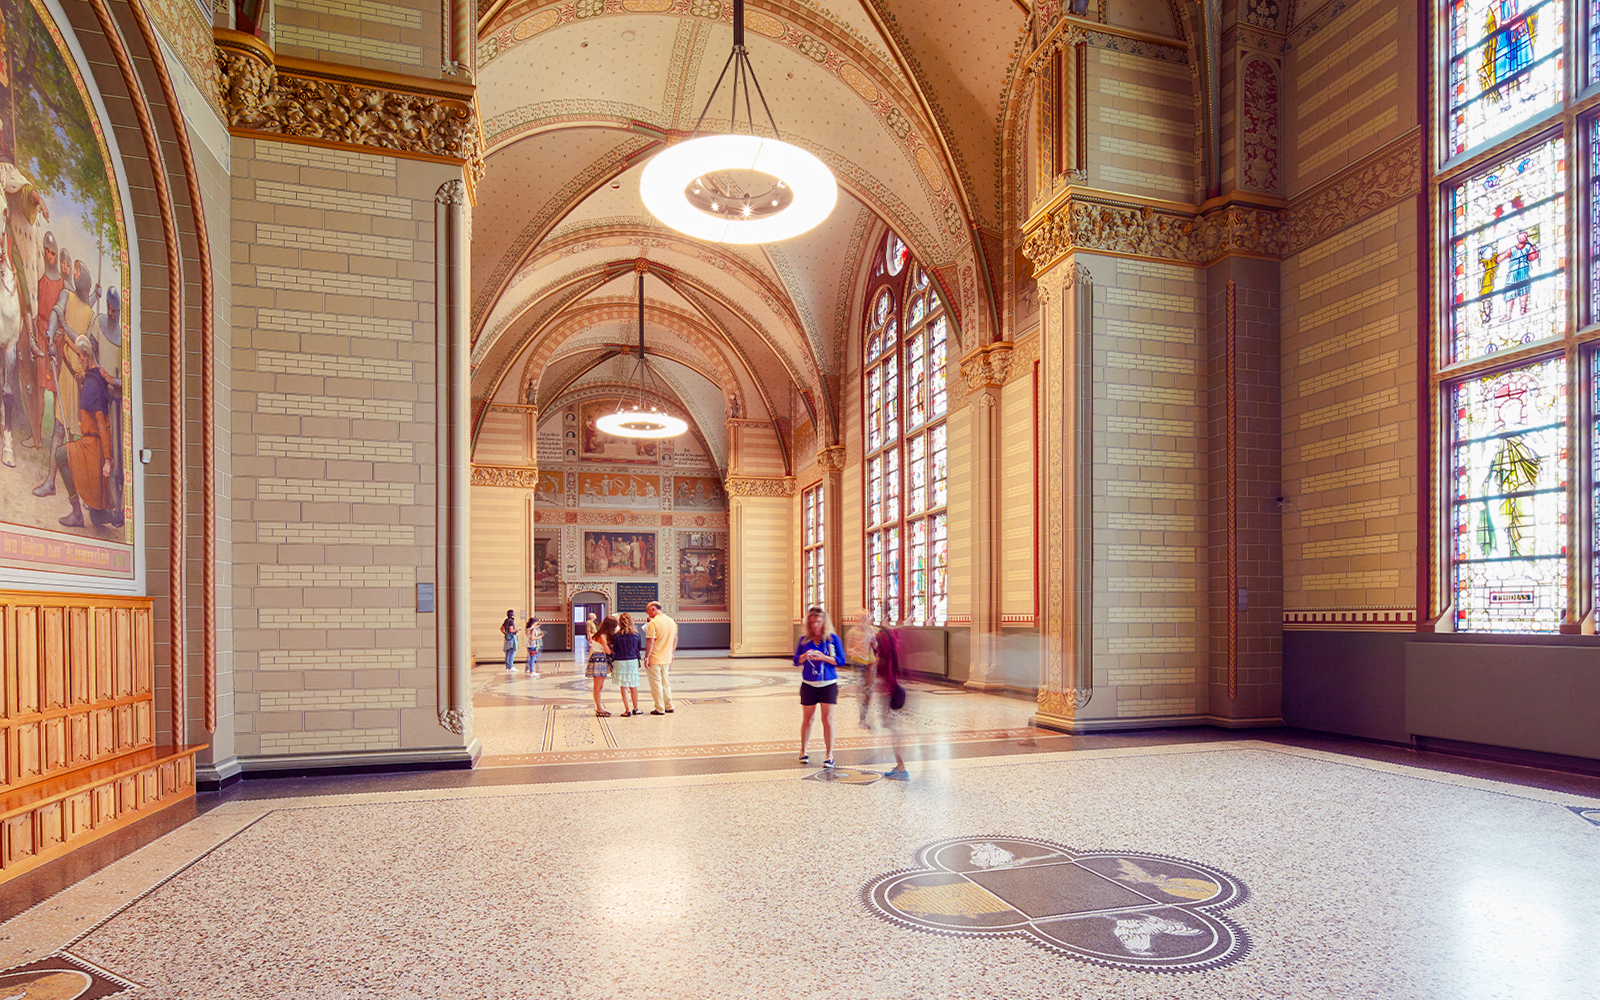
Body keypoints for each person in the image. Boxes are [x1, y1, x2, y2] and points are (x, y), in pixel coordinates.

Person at [794, 607, 846, 768]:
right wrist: (804, 656)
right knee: (808, 720)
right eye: (812, 622)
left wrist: (824, 657)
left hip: (828, 684)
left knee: (827, 720)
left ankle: (829, 755)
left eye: (818, 621)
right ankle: (803, 751)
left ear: (824, 622)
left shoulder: (833, 639)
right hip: (809, 684)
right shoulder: (804, 640)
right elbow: (796, 660)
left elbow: (841, 660)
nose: (816, 624)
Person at [861, 620, 909, 779]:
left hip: (887, 689)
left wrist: (868, 687)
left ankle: (901, 767)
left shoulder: (879, 638)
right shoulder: (894, 636)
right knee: (893, 727)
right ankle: (900, 765)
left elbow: (875, 663)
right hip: (895, 686)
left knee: (893, 728)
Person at [643, 601, 678, 715]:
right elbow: (675, 639)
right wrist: (671, 653)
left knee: (656, 683)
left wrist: (646, 657)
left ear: (653, 609)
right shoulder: (671, 621)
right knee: (665, 682)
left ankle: (659, 708)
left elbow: (650, 640)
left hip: (655, 657)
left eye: (647, 610)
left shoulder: (654, 623)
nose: (646, 612)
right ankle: (669, 705)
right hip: (666, 657)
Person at [610, 612, 643, 717]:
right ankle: (636, 708)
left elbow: (614, 649)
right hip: (632, 661)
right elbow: (638, 648)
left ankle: (627, 710)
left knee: (623, 687)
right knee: (633, 686)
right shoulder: (636, 635)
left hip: (620, 661)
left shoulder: (616, 636)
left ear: (619, 623)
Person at [587, 615, 616, 716]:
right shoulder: (602, 636)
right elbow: (607, 651)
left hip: (597, 659)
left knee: (598, 686)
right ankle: (599, 709)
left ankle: (599, 707)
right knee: (598, 687)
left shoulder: (598, 634)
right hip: (599, 660)